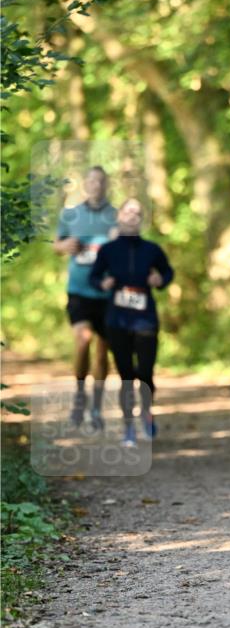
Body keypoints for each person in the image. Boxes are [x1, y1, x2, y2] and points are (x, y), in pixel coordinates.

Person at [89, 198, 174, 446]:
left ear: (141, 219)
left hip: (145, 318)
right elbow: (94, 277)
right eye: (128, 212)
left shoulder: (152, 250)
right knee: (126, 375)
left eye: (137, 213)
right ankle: (128, 426)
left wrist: (160, 279)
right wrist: (101, 283)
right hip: (117, 319)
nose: (132, 216)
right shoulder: (108, 250)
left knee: (145, 373)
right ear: (119, 216)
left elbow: (168, 272)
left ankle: (146, 415)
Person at [53, 166, 117, 430]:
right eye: (91, 181)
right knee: (83, 339)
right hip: (78, 290)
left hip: (107, 293)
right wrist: (64, 246)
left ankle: (96, 408)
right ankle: (80, 396)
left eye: (100, 181)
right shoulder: (70, 215)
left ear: (106, 186)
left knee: (102, 353)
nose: (96, 185)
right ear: (85, 185)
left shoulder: (116, 215)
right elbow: (57, 245)